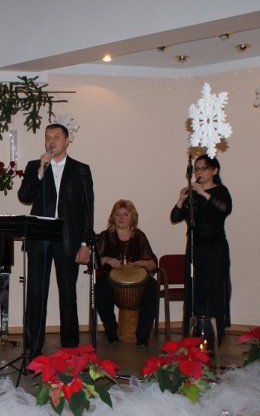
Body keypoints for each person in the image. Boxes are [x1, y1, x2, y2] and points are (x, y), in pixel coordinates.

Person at [17, 123, 94, 361]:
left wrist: (86, 243)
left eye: (57, 137)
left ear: (67, 141)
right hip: (40, 238)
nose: (51, 141)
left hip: (69, 239)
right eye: (48, 137)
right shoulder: (34, 166)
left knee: (68, 294)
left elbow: (87, 208)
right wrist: (41, 171)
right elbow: (24, 196)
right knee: (36, 293)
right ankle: (33, 348)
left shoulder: (81, 170)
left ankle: (70, 348)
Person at [171, 154, 233, 342]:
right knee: (195, 291)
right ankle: (193, 335)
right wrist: (181, 199)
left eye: (203, 168)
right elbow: (175, 217)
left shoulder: (221, 191)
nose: (199, 172)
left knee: (214, 290)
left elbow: (224, 208)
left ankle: (215, 335)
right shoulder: (192, 194)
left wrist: (205, 194)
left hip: (215, 249)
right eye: (196, 169)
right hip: (195, 248)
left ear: (214, 170)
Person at [95, 199, 159, 346]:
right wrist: (107, 259)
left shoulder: (139, 236)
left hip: (137, 284)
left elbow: (153, 264)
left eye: (125, 214)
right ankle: (111, 332)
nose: (121, 217)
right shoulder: (106, 236)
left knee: (152, 286)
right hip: (110, 280)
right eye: (118, 214)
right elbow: (94, 261)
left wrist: (142, 263)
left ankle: (142, 337)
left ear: (132, 217)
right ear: (113, 217)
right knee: (100, 288)